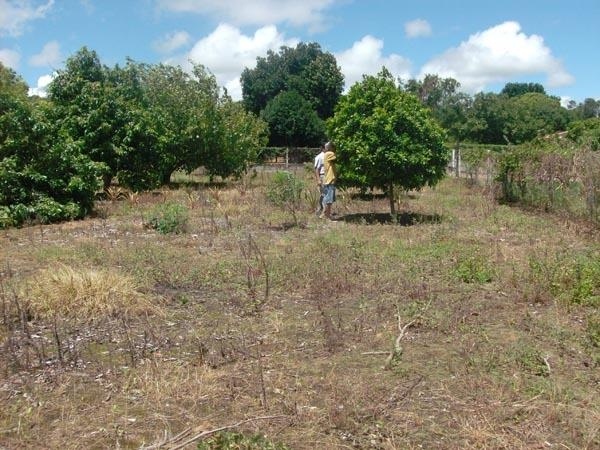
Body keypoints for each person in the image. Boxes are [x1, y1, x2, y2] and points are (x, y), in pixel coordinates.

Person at [321, 141, 337, 220]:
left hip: (328, 179)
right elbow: (339, 157)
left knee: (328, 199)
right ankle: (326, 215)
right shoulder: (329, 153)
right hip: (330, 180)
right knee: (329, 200)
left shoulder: (327, 154)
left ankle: (326, 215)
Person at [314, 144, 326, 216]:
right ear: (323, 148)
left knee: (325, 194)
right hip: (323, 176)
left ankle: (322, 209)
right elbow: (316, 169)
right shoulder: (319, 157)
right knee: (324, 194)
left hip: (328, 176)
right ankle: (322, 211)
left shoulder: (328, 156)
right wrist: (318, 180)